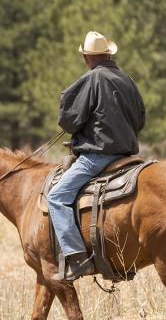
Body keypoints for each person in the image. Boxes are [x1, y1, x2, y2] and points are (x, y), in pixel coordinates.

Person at [49, 31, 146, 281]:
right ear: (108, 54)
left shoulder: (92, 79)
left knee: (57, 197)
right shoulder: (127, 80)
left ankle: (77, 258)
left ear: (86, 57)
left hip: (99, 156)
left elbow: (69, 120)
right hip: (127, 155)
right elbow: (141, 119)